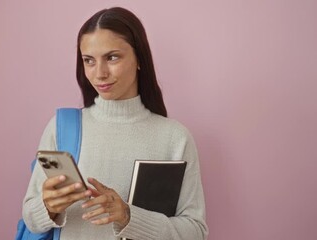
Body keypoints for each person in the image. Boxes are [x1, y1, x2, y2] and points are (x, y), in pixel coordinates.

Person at [22, 7, 208, 240]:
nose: (99, 73)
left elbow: (195, 232)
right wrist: (48, 207)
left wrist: (127, 216)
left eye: (112, 57)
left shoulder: (175, 138)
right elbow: (30, 217)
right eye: (89, 60)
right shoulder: (62, 128)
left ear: (139, 58)